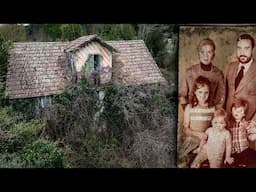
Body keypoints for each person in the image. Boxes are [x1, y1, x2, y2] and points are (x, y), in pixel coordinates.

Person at [178, 76, 215, 167]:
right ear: (195, 92)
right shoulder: (190, 108)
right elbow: (185, 129)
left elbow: (214, 127)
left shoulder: (212, 108)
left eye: (206, 93)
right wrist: (198, 134)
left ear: (209, 93)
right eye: (200, 92)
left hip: (206, 140)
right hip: (192, 139)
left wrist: (206, 137)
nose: (203, 96)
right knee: (182, 160)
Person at [179, 38, 225, 110]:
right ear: (199, 53)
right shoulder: (190, 72)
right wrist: (188, 112)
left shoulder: (218, 74)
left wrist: (214, 113)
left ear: (213, 54)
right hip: (192, 114)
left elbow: (221, 98)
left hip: (211, 114)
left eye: (209, 52)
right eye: (202, 52)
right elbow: (182, 96)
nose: (205, 56)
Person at [225, 34, 256, 122]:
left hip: (249, 123)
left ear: (252, 49)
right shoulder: (231, 67)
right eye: (239, 48)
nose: (242, 52)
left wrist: (254, 123)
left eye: (246, 48)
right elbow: (225, 93)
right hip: (228, 122)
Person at [228, 98, 256, 168]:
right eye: (235, 109)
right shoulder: (228, 124)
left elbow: (251, 138)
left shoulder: (246, 124)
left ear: (244, 114)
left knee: (252, 157)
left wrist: (254, 133)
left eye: (240, 111)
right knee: (232, 162)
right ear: (231, 110)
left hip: (244, 150)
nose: (236, 112)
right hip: (233, 152)